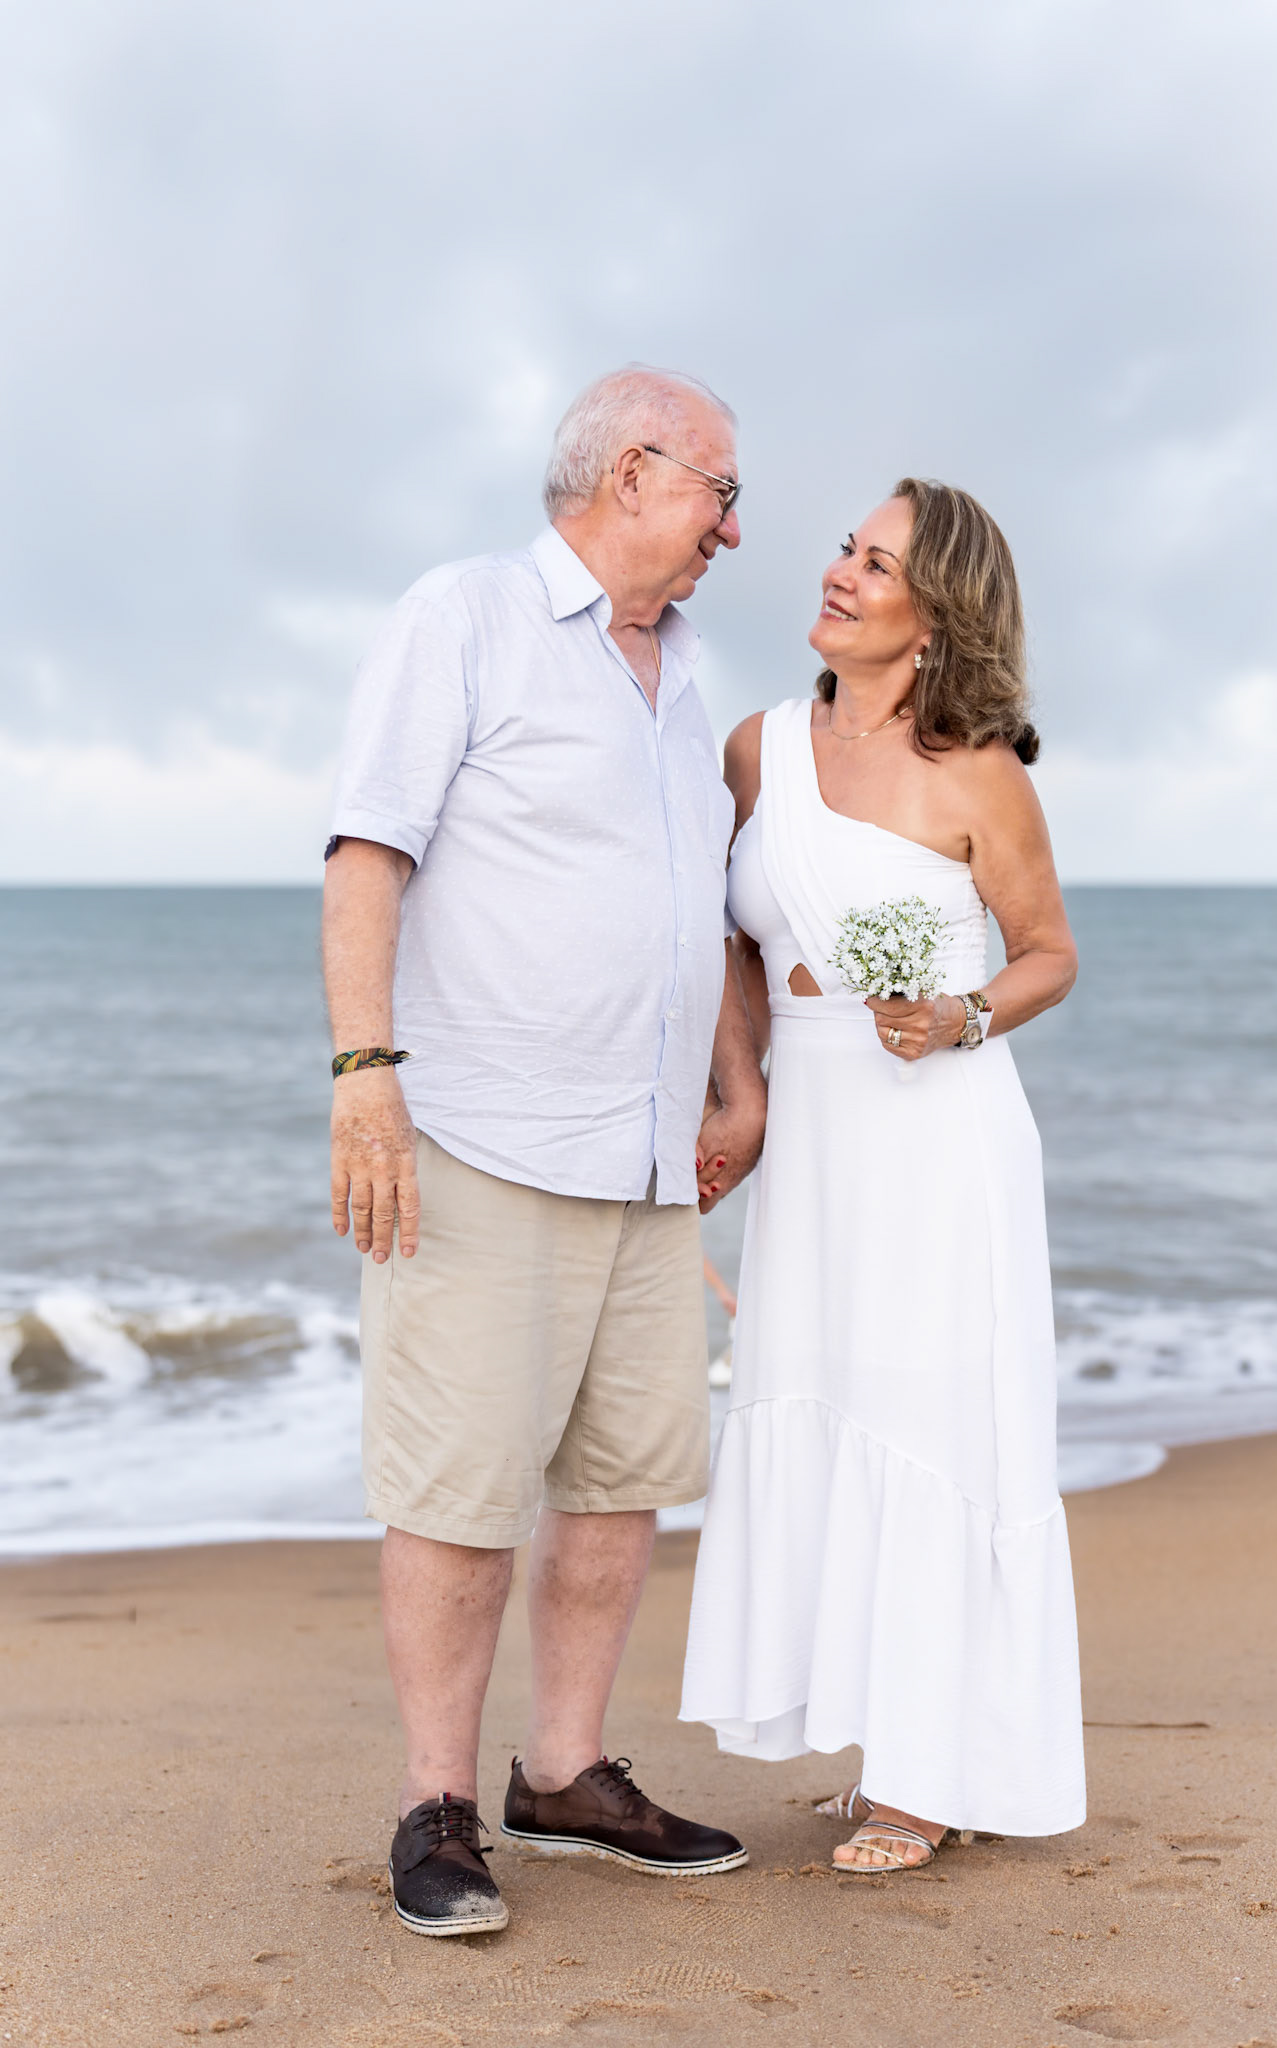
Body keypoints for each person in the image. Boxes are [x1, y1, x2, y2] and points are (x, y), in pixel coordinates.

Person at [323, 366, 767, 1937]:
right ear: (635, 472)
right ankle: (434, 1803)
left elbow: (695, 908)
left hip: (646, 1161)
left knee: (619, 1482)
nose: (733, 525)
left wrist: (734, 1084)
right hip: (485, 1133)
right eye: (720, 490)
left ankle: (564, 1771)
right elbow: (369, 847)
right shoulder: (464, 616)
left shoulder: (692, 673)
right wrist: (364, 1072)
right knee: (456, 1491)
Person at [680, 478, 1087, 1870]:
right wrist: (739, 1093)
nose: (841, 573)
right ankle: (881, 1734)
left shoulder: (977, 772)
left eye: (876, 562)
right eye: (847, 549)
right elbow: (733, 940)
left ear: (938, 615)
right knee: (824, 1402)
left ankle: (928, 1772)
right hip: (815, 1138)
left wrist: (962, 1015)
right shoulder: (754, 749)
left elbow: (1045, 953)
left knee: (927, 1423)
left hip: (937, 1135)